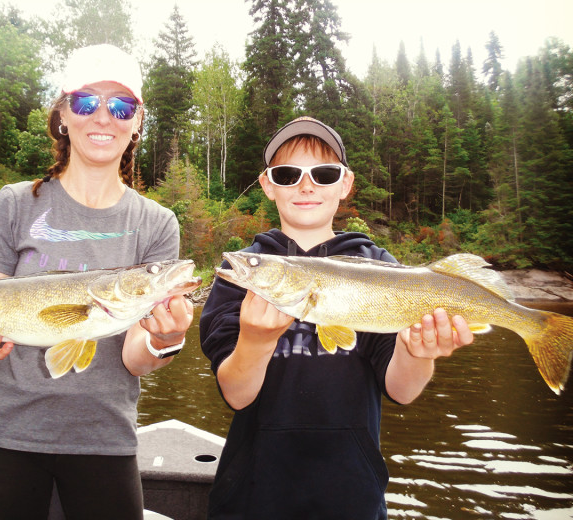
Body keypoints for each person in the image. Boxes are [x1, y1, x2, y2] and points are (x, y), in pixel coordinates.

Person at [0, 44, 193, 520]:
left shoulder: (158, 223)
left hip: (103, 435)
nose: (103, 117)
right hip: (5, 431)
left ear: (137, 122)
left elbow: (133, 358)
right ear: (63, 114)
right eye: (86, 102)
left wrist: (166, 338)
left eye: (121, 106)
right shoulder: (15, 202)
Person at [199, 116, 475, 519]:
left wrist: (419, 353)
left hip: (351, 498)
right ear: (267, 184)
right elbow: (236, 393)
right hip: (252, 496)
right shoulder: (242, 271)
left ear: (345, 184)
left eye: (324, 174)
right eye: (288, 174)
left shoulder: (381, 266)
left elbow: (403, 390)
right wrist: (254, 343)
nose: (306, 185)